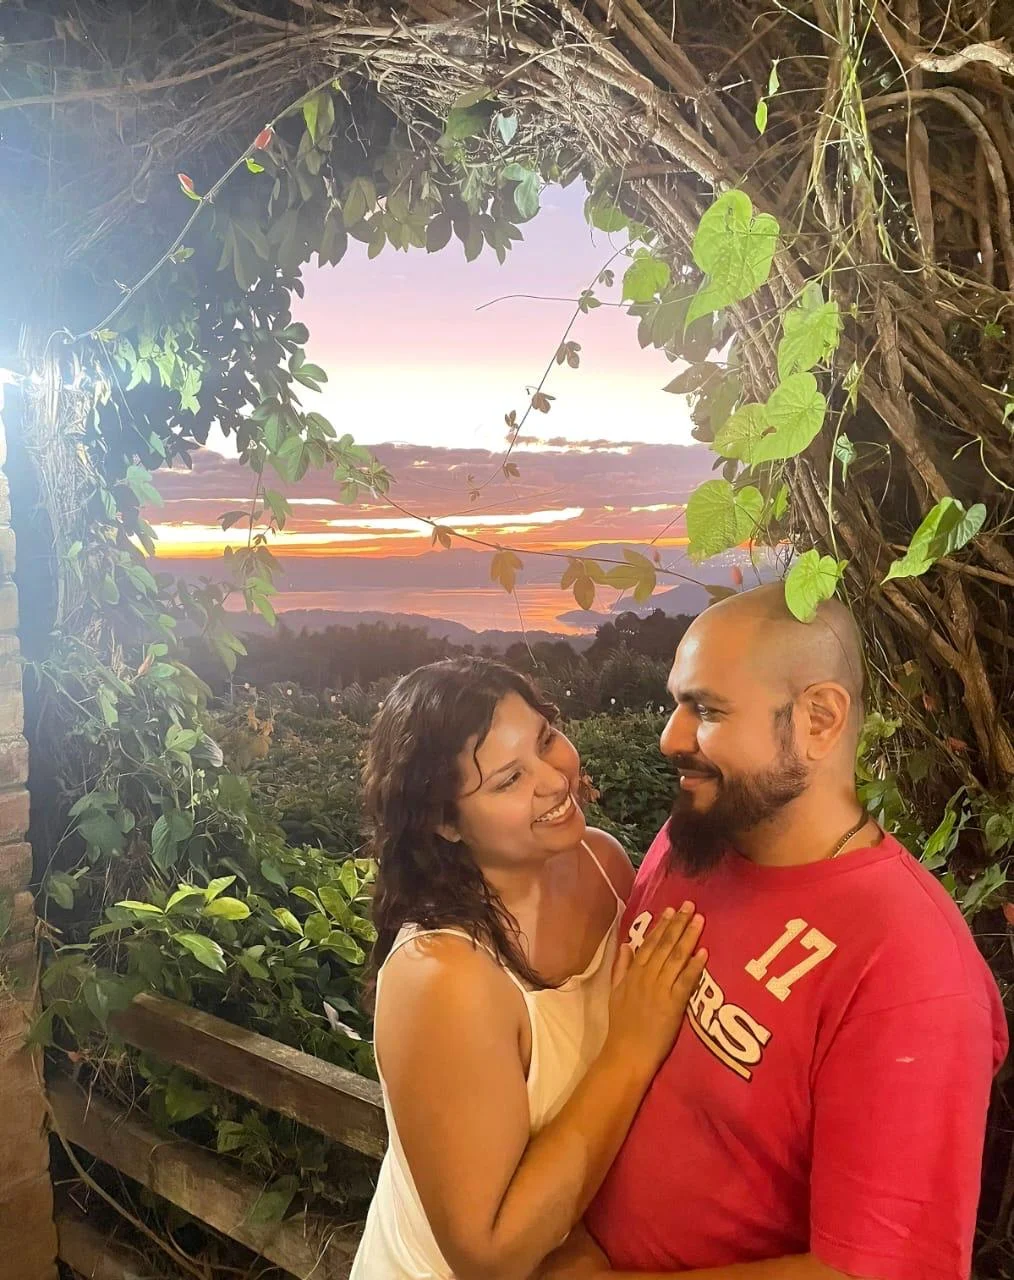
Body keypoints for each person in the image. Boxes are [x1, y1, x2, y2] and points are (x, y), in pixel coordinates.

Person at [544, 584, 1008, 1280]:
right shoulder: (694, 839)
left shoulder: (909, 969)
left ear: (819, 719)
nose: (670, 738)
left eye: (707, 710)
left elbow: (873, 1272)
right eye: (677, 704)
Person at [349, 657, 708, 1280]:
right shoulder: (445, 973)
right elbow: (490, 1256)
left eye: (545, 740)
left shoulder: (600, 862)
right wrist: (631, 1048)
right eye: (508, 779)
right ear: (444, 822)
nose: (553, 779)